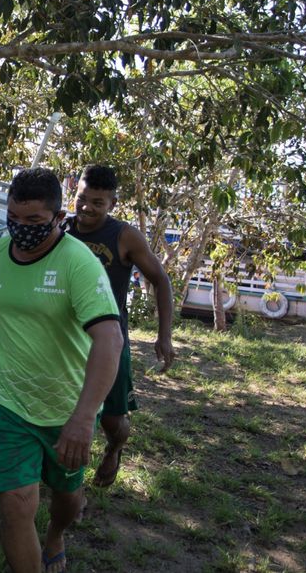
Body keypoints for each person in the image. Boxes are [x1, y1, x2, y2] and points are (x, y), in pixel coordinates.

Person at [0, 168, 123, 573]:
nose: (21, 229)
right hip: (9, 402)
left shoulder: (78, 264)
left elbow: (110, 339)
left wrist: (84, 419)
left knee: (66, 498)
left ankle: (56, 535)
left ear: (58, 217)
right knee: (15, 507)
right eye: (14, 218)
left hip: (66, 408)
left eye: (33, 221)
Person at [66, 165, 175, 489]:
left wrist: (164, 336)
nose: (86, 207)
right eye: (82, 198)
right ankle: (65, 483)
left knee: (113, 420)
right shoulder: (61, 227)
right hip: (65, 340)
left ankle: (115, 448)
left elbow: (161, 280)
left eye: (97, 203)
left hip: (108, 342)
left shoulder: (124, 236)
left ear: (112, 203)